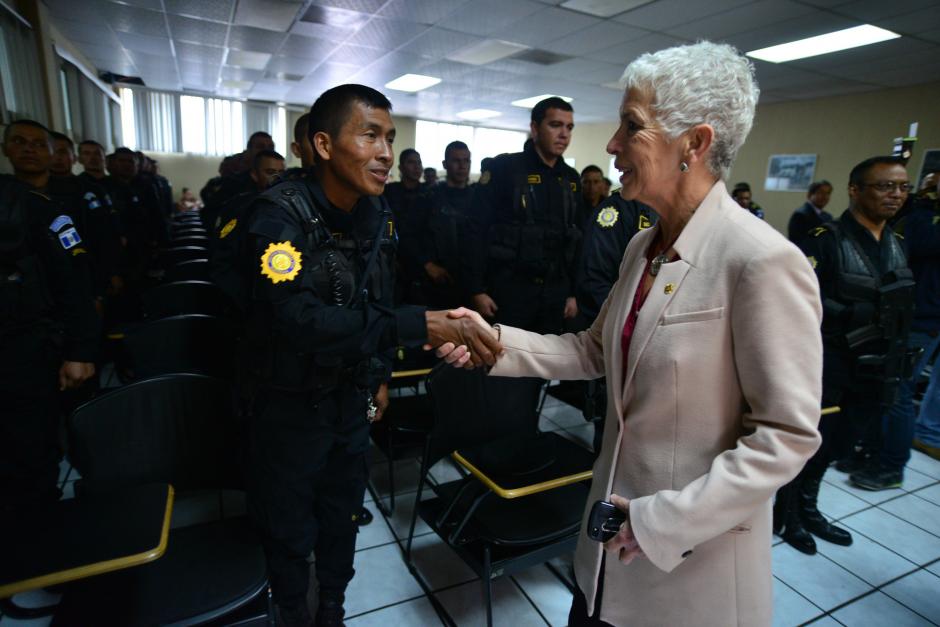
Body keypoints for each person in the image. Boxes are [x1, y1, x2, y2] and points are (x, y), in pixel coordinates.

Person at [440, 42, 822, 627]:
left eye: (631, 126)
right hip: (606, 550)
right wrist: (492, 340)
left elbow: (786, 435)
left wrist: (661, 522)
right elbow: (593, 348)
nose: (612, 145)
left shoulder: (760, 260)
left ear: (694, 143)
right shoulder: (645, 245)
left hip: (683, 560)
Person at [240, 84, 500, 626]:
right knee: (290, 526)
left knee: (342, 515)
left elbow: (377, 298)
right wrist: (417, 325)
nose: (385, 153)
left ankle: (332, 605)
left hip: (351, 398)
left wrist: (379, 375)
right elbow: (298, 321)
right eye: (370, 136)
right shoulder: (278, 218)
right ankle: (293, 610)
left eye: (390, 139)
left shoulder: (376, 213)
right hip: (290, 404)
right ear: (323, 145)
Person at [779, 157, 914, 552]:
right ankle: (786, 516)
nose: (896, 195)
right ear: (855, 190)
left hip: (873, 366)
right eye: (885, 186)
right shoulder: (824, 239)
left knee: (839, 444)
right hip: (827, 366)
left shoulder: (896, 242)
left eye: (903, 187)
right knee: (808, 444)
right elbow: (795, 304)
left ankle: (809, 508)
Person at [1, 123, 98, 512]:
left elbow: (75, 280)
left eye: (37, 144)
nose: (28, 150)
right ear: (5, 150)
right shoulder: (6, 198)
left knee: (34, 443)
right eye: (18, 142)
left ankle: (41, 518)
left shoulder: (49, 209)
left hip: (32, 343)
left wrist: (80, 349)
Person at [464, 97, 583, 334]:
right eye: (555, 125)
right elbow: (475, 230)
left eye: (569, 127)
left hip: (554, 293)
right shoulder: (505, 168)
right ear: (535, 128)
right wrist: (475, 289)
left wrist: (573, 293)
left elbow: (578, 236)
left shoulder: (570, 178)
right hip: (509, 289)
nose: (564, 134)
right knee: (503, 354)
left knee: (548, 355)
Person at [398, 140, 472, 308]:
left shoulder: (476, 199)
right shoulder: (428, 198)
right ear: (445, 164)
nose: (462, 166)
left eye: (466, 160)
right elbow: (407, 236)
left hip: (466, 280)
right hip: (433, 282)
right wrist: (427, 265)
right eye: (456, 160)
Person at [909, 172, 940, 461]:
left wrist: (924, 203)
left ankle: (927, 435)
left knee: (903, 387)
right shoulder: (926, 216)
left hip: (928, 312)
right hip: (926, 311)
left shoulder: (926, 217)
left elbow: (920, 242)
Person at [788, 180, 834, 245]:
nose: (825, 196)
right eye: (821, 192)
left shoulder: (827, 217)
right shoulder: (800, 215)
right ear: (809, 195)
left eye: (828, 193)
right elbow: (797, 242)